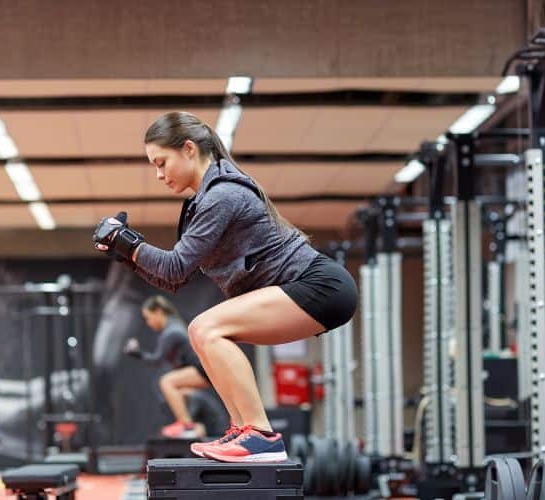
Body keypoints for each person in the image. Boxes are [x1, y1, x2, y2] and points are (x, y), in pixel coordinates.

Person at [93, 111, 357, 463]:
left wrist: (129, 245)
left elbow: (173, 265)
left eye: (161, 163)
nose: (158, 175)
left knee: (205, 328)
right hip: (311, 288)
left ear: (188, 149)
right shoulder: (201, 201)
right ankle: (244, 428)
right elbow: (174, 278)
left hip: (321, 285)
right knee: (207, 335)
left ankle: (260, 436)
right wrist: (125, 252)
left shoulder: (222, 195)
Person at [123, 295, 210, 439]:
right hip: (202, 369)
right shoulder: (173, 326)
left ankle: (187, 426)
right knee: (178, 390)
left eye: (148, 318)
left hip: (203, 369)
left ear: (158, 312)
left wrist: (136, 353)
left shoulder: (171, 332)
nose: (148, 323)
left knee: (167, 382)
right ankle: (191, 426)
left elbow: (156, 360)